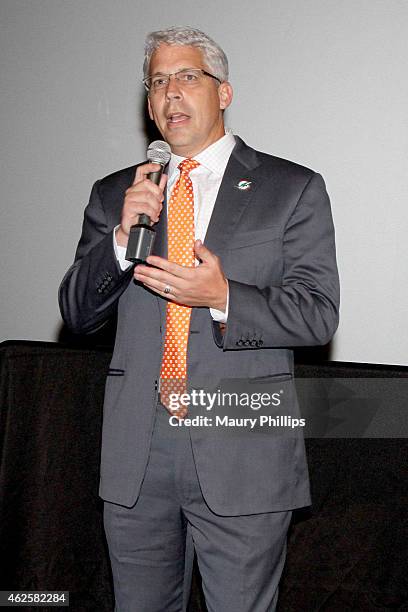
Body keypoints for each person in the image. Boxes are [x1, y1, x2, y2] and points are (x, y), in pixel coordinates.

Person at [59, 25, 339, 612]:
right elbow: (77, 313)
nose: (170, 93)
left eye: (187, 76)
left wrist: (223, 295)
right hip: (138, 450)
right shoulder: (118, 194)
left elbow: (318, 315)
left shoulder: (290, 188)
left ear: (224, 92)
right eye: (157, 82)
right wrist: (118, 240)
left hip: (243, 448)